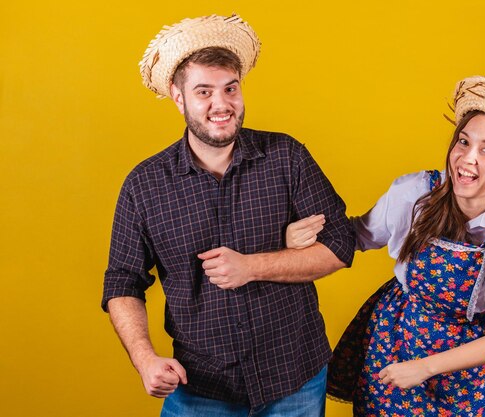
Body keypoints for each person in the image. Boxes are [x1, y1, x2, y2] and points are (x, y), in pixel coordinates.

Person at [101, 14, 355, 417]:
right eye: (204, 91)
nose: (221, 105)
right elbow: (121, 282)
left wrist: (252, 265)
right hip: (200, 386)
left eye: (230, 89)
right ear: (178, 96)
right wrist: (145, 358)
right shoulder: (143, 186)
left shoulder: (286, 157)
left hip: (295, 378)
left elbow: (340, 245)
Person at [287, 76, 485, 416]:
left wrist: (426, 367)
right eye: (463, 142)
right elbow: (353, 236)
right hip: (397, 345)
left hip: (475, 378)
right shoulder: (415, 194)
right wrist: (298, 237)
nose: (466, 158)